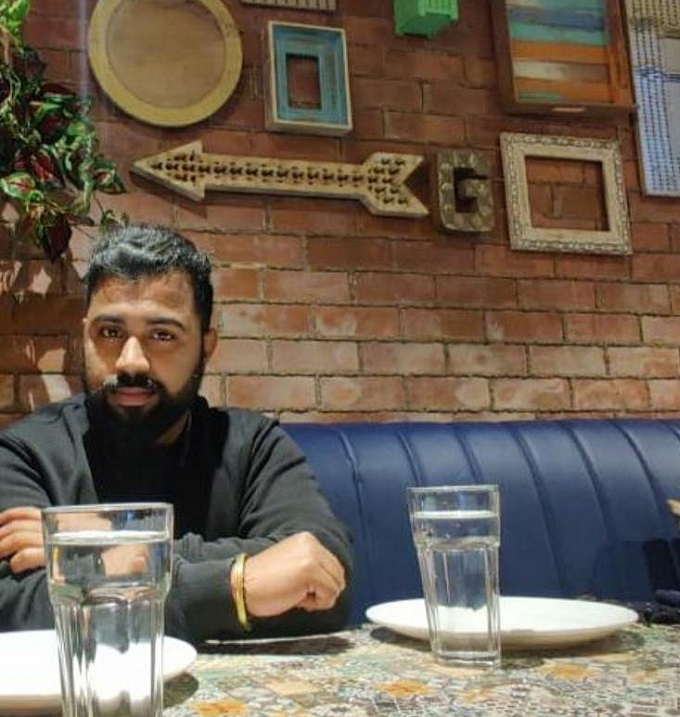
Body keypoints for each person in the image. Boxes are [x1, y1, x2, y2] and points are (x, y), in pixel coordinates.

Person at [0, 223, 352, 643]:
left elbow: (321, 576)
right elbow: (17, 609)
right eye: (110, 333)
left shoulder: (252, 446)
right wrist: (233, 587)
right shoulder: (25, 453)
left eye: (162, 335)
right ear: (85, 335)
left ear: (206, 346)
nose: (131, 362)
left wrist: (104, 545)